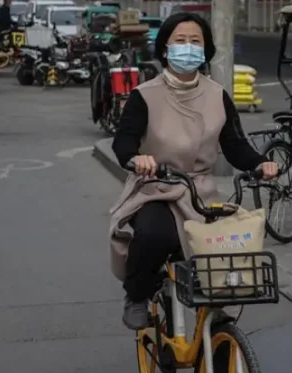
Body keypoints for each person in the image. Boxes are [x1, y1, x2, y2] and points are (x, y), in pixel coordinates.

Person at [109, 12, 278, 331]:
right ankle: (137, 295)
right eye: (180, 41)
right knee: (156, 236)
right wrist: (137, 159)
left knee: (227, 250)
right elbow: (123, 144)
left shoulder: (218, 95)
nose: (188, 48)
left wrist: (259, 164)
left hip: (201, 191)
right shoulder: (144, 95)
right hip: (155, 187)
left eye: (195, 41)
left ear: (206, 49)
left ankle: (219, 329)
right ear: (164, 50)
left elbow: (235, 146)